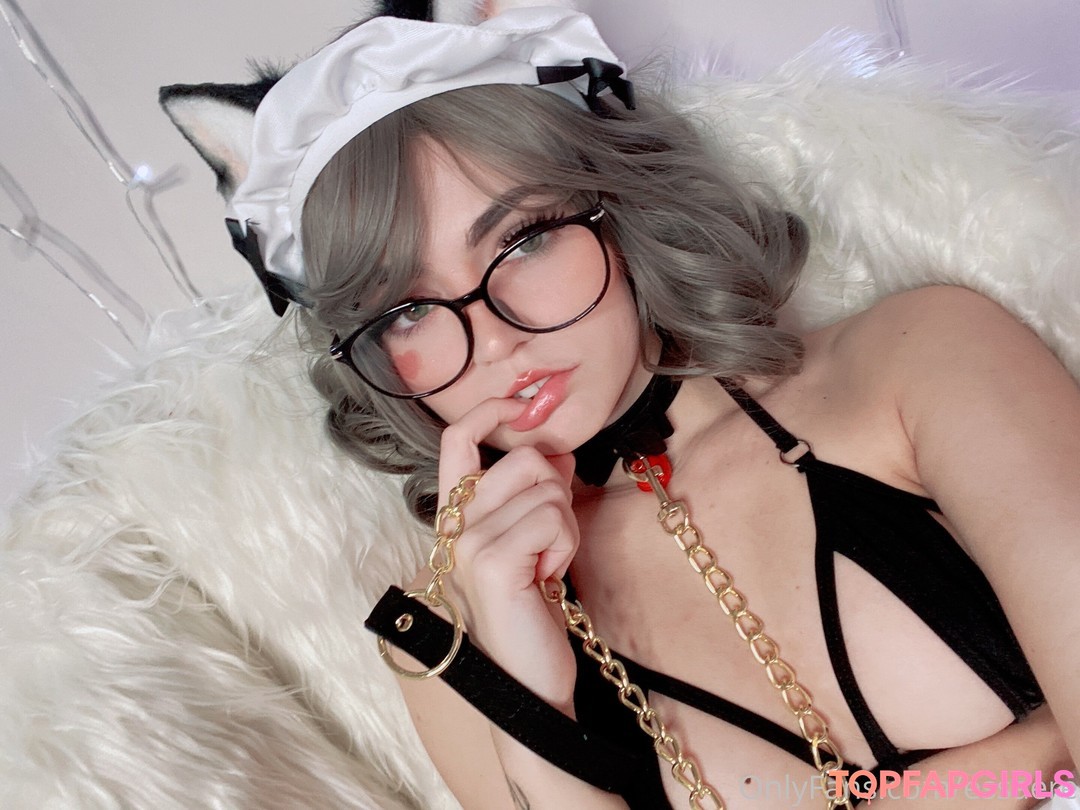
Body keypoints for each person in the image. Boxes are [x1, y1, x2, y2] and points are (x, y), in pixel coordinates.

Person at [220, 7, 1080, 808]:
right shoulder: (448, 639)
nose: (494, 339)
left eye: (523, 240)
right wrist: (531, 702)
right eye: (408, 311)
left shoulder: (918, 362)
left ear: (618, 206)